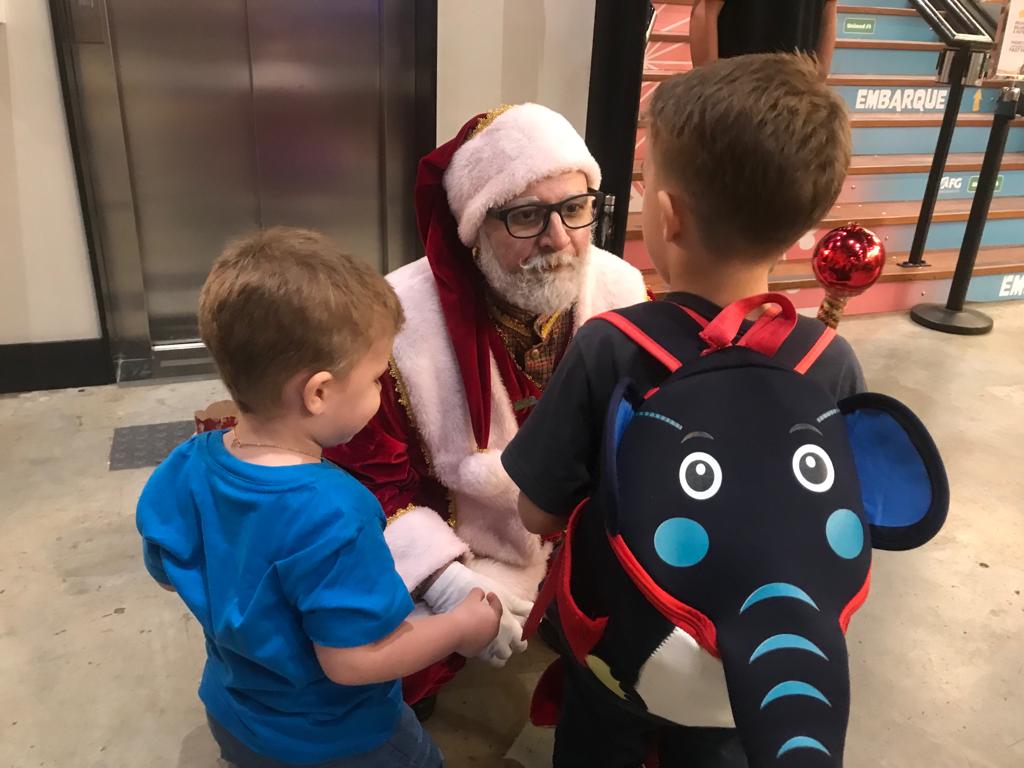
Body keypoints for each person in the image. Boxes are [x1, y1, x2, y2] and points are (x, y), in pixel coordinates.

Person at [502, 54, 865, 767]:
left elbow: (536, 513)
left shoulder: (609, 346)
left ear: (666, 217)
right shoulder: (829, 361)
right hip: (752, 664)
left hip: (619, 654)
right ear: (803, 223)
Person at [136, 227, 502, 768]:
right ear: (320, 392)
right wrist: (460, 627)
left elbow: (168, 570)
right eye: (377, 378)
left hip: (235, 716)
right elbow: (353, 661)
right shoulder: (337, 509)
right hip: (340, 740)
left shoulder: (185, 462)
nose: (382, 395)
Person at [324, 103, 649, 709]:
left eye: (575, 209)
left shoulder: (623, 291)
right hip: (464, 542)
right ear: (474, 228)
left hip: (581, 535)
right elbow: (364, 480)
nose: (560, 240)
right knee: (369, 668)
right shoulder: (396, 321)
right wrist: (443, 578)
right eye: (526, 216)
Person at [690, 0, 838, 77]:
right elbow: (705, 11)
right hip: (735, 92)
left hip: (796, 93)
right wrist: (709, 89)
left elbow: (829, 8)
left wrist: (818, 79)